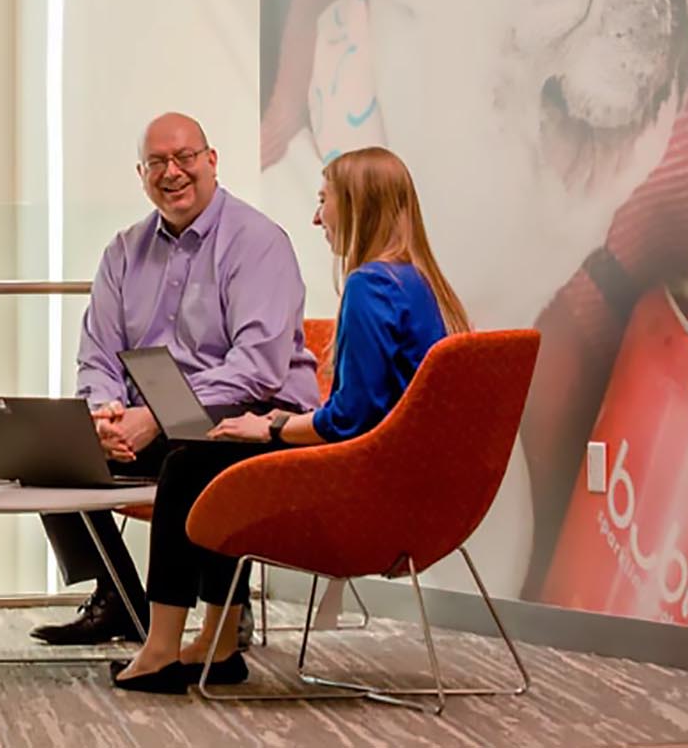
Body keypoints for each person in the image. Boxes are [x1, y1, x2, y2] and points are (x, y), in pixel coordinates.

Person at [111, 146, 471, 693]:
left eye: (324, 200)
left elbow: (349, 420)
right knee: (213, 456)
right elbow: (368, 412)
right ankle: (217, 642)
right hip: (413, 483)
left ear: (356, 205)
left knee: (191, 466)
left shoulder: (371, 287)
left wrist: (272, 427)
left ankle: (164, 648)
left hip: (369, 486)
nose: (317, 217)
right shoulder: (417, 283)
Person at [32, 112, 321, 647]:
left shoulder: (257, 242)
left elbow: (256, 367)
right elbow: (98, 353)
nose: (173, 172)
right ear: (141, 174)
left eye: (185, 158)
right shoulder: (123, 251)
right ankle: (118, 595)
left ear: (211, 162)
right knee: (48, 453)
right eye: (157, 163)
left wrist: (156, 418)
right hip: (149, 416)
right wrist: (106, 413)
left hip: (254, 412)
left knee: (193, 449)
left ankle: (221, 610)